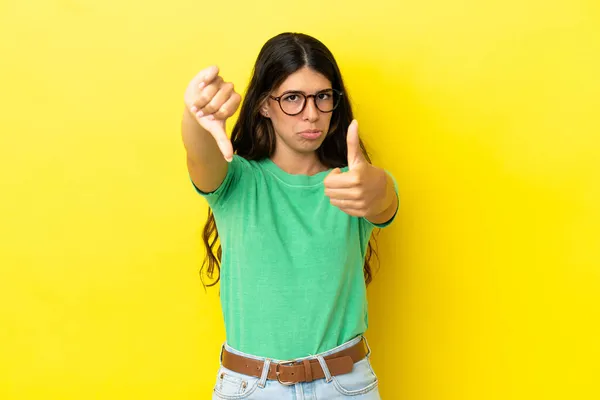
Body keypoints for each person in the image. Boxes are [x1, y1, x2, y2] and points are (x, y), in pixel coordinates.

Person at [181, 32, 399, 399]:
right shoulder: (236, 180)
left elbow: (383, 199)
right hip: (251, 388)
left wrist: (374, 187)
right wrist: (195, 115)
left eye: (323, 97)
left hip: (344, 386)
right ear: (265, 105)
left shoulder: (352, 184)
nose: (311, 113)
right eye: (293, 99)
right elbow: (200, 155)